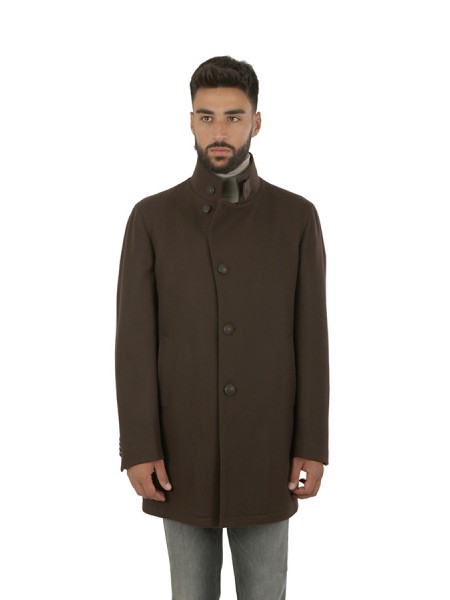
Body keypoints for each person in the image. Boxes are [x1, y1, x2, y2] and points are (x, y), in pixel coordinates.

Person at [115, 56, 329, 600]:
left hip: (267, 447)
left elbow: (311, 338)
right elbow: (134, 344)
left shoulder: (296, 217)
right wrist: (138, 445)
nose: (219, 131)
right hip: (179, 452)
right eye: (206, 117)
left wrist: (312, 442)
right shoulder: (152, 218)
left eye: (233, 117)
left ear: (256, 122)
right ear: (190, 121)